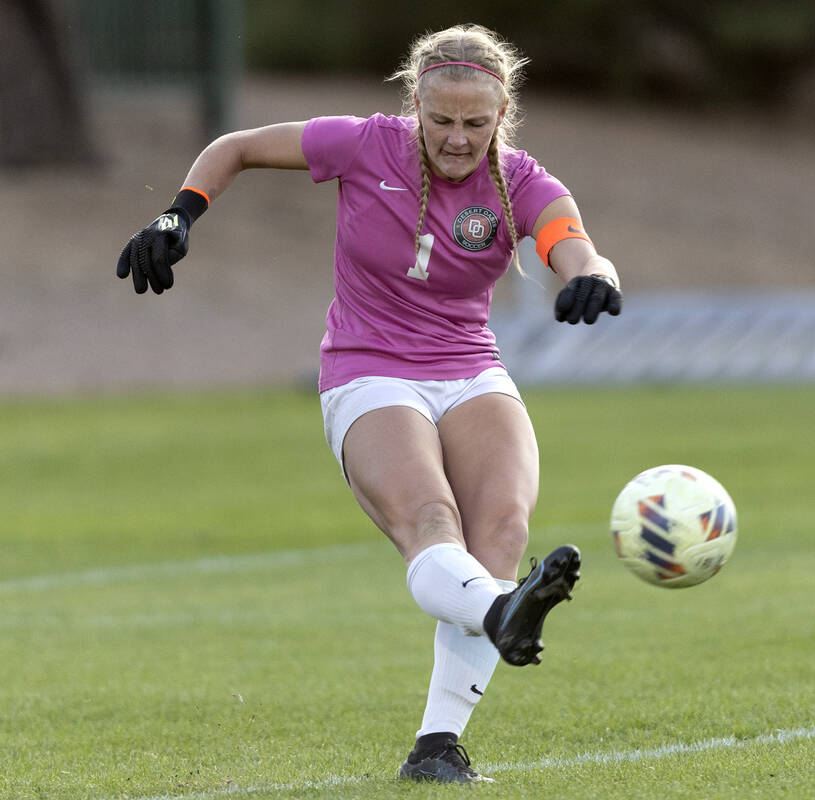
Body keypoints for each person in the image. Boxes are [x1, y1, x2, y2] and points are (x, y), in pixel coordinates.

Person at [116, 23, 622, 785]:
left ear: (501, 114)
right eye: (441, 121)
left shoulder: (521, 182)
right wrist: (179, 213)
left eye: (475, 124)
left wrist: (595, 276)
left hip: (468, 367)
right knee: (431, 522)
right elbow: (239, 146)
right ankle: (499, 613)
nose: (456, 140)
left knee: (505, 531)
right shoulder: (360, 144)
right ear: (414, 105)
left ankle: (437, 747)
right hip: (368, 369)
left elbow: (575, 243)